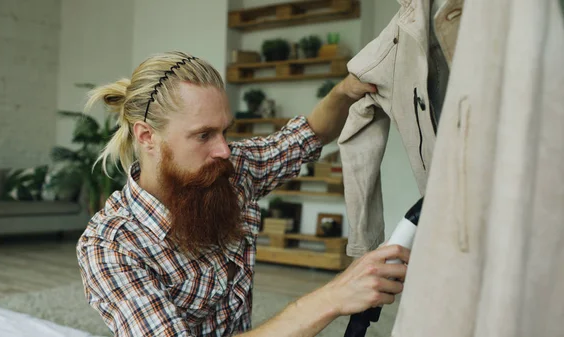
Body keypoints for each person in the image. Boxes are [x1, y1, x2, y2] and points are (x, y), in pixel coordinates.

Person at [77, 51, 410, 337]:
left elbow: (307, 136)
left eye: (225, 131)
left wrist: (344, 91)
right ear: (147, 137)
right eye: (204, 135)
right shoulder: (110, 246)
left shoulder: (228, 172)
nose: (224, 149)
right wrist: (333, 297)